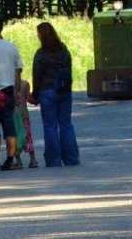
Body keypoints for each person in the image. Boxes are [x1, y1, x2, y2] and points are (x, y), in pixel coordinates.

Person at [32, 22, 79, 167]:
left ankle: (53, 160)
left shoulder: (41, 54)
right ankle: (71, 158)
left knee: (50, 126)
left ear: (41, 36)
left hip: (47, 91)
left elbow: (37, 75)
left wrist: (35, 94)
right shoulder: (64, 51)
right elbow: (70, 71)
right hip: (64, 90)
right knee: (66, 124)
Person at [0, 16, 23, 172]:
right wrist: (17, 91)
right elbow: (18, 71)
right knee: (9, 125)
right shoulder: (11, 47)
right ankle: (9, 159)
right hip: (8, 89)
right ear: (2, 28)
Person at [13, 79, 38, 169]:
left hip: (13, 116)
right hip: (24, 115)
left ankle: (18, 161)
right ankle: (33, 159)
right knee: (28, 137)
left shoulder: (7, 86)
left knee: (14, 138)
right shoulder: (24, 84)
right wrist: (36, 101)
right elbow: (29, 98)